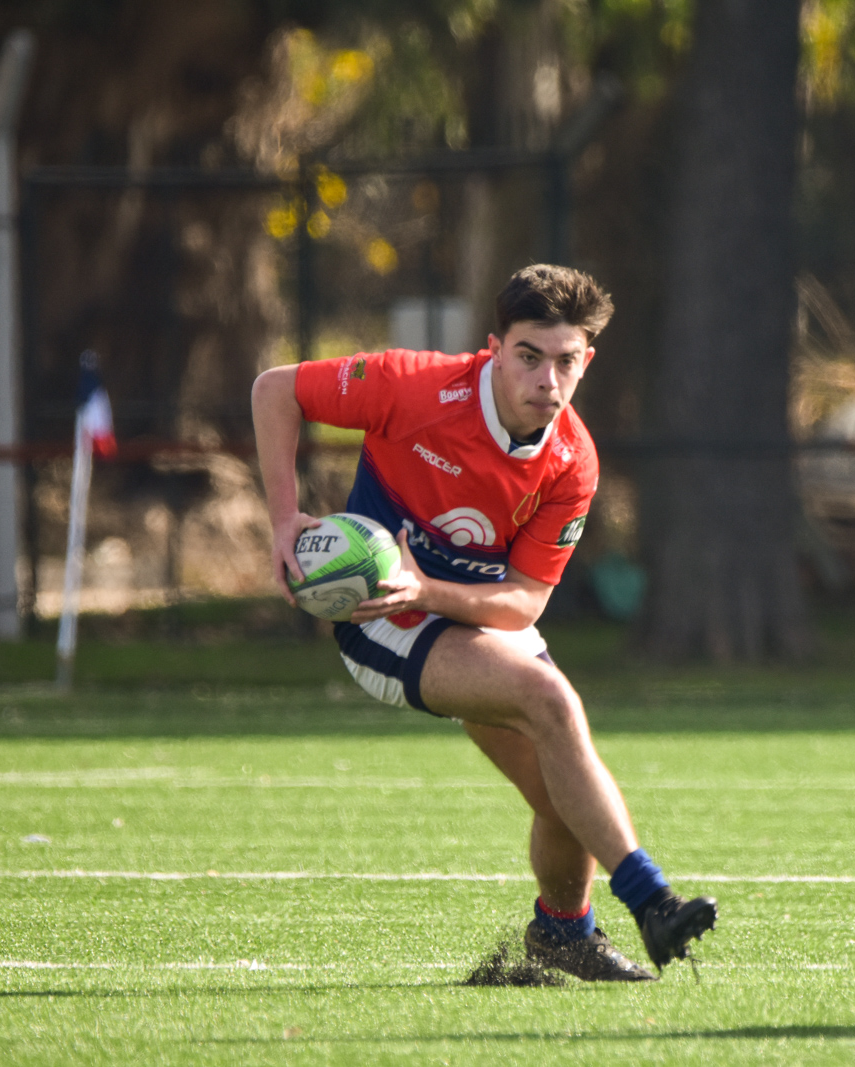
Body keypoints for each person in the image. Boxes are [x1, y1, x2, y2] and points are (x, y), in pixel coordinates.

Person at [251, 265, 716, 981]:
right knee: (551, 700)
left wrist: (430, 587)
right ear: (494, 349)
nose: (546, 379)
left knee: (563, 789)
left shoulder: (572, 461)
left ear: (586, 361)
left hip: (470, 608)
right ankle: (653, 900)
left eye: (565, 361)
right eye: (528, 356)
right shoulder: (413, 387)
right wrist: (284, 519)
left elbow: (524, 601)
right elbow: (275, 389)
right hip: (383, 620)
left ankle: (563, 933)